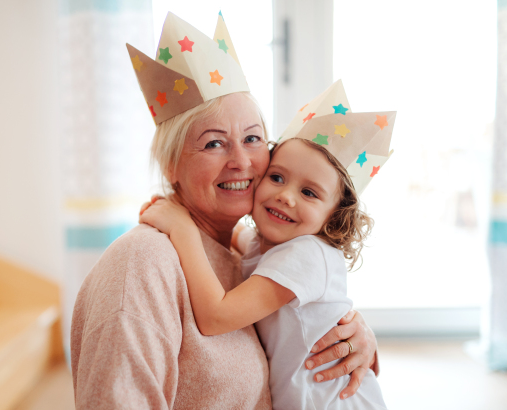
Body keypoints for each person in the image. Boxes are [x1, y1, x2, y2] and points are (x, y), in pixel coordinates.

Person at [70, 13, 379, 409]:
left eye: (252, 138)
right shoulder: (142, 264)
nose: (241, 161)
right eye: (214, 143)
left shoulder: (242, 249)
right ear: (171, 165)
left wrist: (354, 333)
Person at [139, 93, 392, 409]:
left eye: (309, 192)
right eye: (277, 177)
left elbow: (216, 317)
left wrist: (183, 229)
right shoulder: (274, 246)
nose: (286, 196)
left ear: (334, 216)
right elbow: (244, 240)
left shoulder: (306, 256)